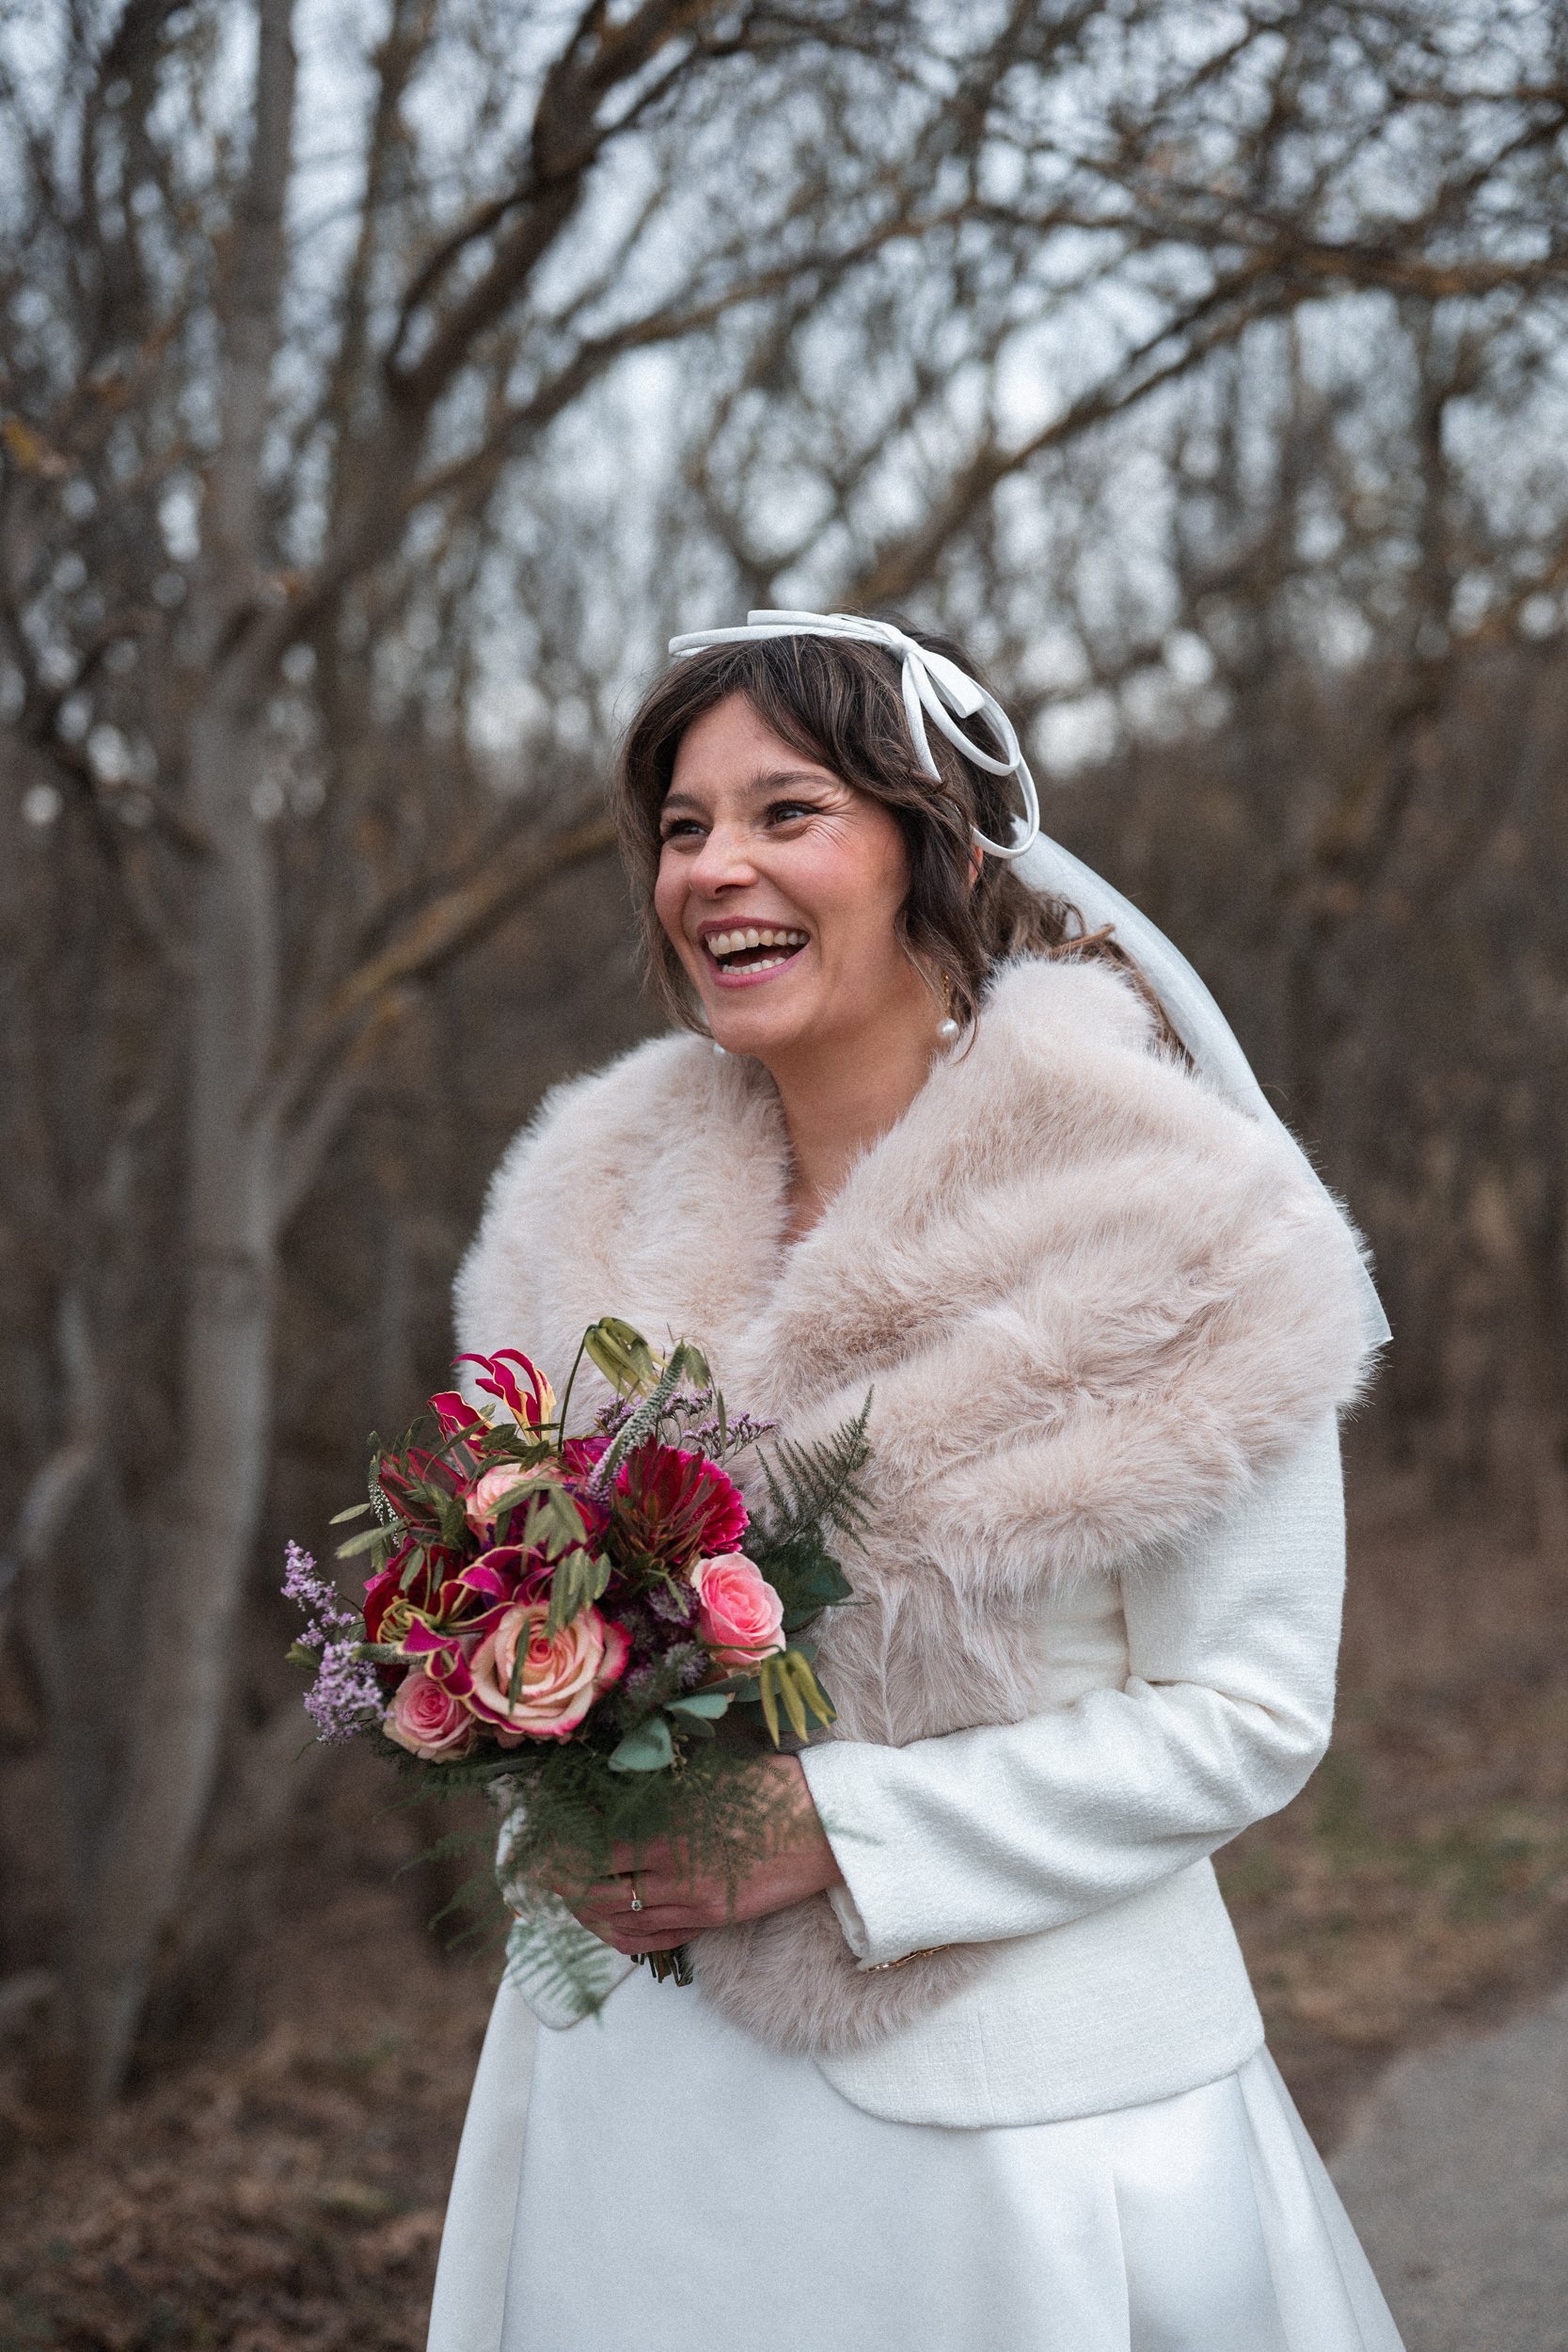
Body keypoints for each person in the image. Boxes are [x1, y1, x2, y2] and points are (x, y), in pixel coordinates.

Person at [426, 613, 1405, 2352]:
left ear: (935, 845)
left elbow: (1251, 1712)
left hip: (1014, 2140)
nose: (717, 866)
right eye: (681, 825)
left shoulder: (1175, 1221)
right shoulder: (583, 1198)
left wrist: (832, 1835)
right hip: (628, 2103)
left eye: (787, 811)